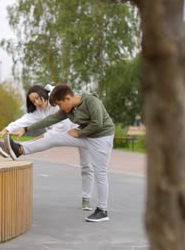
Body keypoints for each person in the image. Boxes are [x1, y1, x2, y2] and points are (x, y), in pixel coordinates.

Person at [6, 83, 114, 222]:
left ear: (68, 98)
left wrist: (80, 132)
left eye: (60, 104)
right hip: (84, 136)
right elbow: (50, 119)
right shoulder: (67, 109)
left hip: (101, 138)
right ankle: (20, 150)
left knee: (100, 172)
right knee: (53, 138)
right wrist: (26, 129)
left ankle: (102, 210)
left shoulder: (91, 101)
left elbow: (98, 123)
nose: (59, 108)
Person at [0, 84, 95, 211]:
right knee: (47, 140)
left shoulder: (56, 101)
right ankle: (12, 149)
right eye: (33, 101)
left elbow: (56, 131)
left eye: (38, 98)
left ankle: (86, 198)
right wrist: (7, 129)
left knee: (87, 166)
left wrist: (36, 140)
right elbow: (25, 120)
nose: (37, 103)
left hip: (84, 131)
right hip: (67, 133)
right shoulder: (39, 110)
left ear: (44, 94)